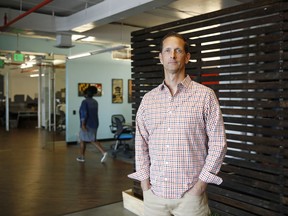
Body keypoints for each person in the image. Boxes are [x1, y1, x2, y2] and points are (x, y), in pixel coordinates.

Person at [128, 32, 227, 216]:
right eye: (167, 51)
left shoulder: (205, 96)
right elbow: (140, 144)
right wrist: (145, 185)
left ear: (187, 57)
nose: (172, 55)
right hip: (154, 197)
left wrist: (200, 186)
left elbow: (218, 143)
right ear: (160, 57)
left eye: (178, 50)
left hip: (191, 199)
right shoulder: (148, 100)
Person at [76, 86, 108, 163]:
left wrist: (83, 124)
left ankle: (103, 152)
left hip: (87, 124)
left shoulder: (85, 102)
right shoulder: (95, 102)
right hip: (95, 123)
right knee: (83, 139)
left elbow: (84, 114)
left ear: (86, 94)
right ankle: (82, 157)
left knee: (92, 140)